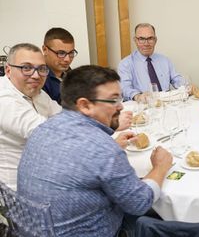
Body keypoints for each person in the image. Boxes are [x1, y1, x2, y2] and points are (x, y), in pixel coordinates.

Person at [17, 65, 173, 237]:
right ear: (84, 105)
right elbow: (139, 203)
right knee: (167, 220)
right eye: (113, 100)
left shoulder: (44, 128)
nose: (121, 107)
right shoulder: (103, 149)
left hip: (33, 229)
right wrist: (160, 167)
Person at [0, 43, 61, 190]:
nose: (36, 75)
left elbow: (63, 118)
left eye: (41, 69)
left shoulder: (36, 92)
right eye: (26, 68)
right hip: (19, 195)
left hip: (44, 175)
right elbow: (47, 134)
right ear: (8, 70)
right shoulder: (4, 99)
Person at [118, 23, 184, 101]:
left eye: (150, 38)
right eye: (141, 39)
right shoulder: (125, 64)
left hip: (166, 105)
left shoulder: (165, 60)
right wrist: (137, 96)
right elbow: (125, 88)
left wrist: (187, 86)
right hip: (143, 107)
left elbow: (176, 79)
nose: (146, 43)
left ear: (155, 40)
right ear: (135, 40)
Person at [42, 27, 77, 104]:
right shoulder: (39, 78)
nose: (67, 59)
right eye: (61, 53)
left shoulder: (68, 72)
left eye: (71, 53)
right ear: (45, 50)